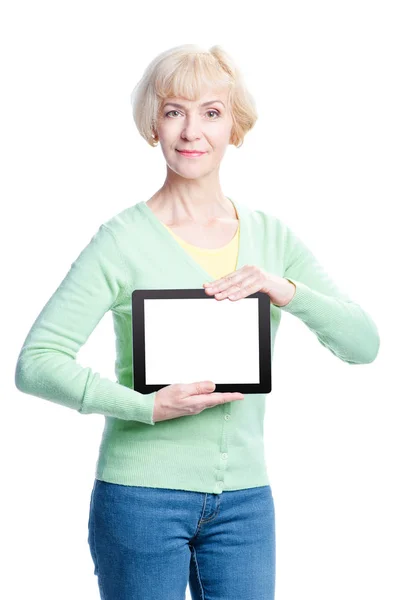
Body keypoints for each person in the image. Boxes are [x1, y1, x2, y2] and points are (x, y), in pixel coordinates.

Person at [14, 43, 380, 600]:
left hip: (246, 504)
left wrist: (284, 291)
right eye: (173, 111)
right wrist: (147, 407)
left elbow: (363, 344)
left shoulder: (272, 237)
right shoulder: (121, 241)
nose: (191, 131)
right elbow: (36, 365)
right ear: (153, 125)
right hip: (140, 498)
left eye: (211, 111)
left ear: (234, 126)